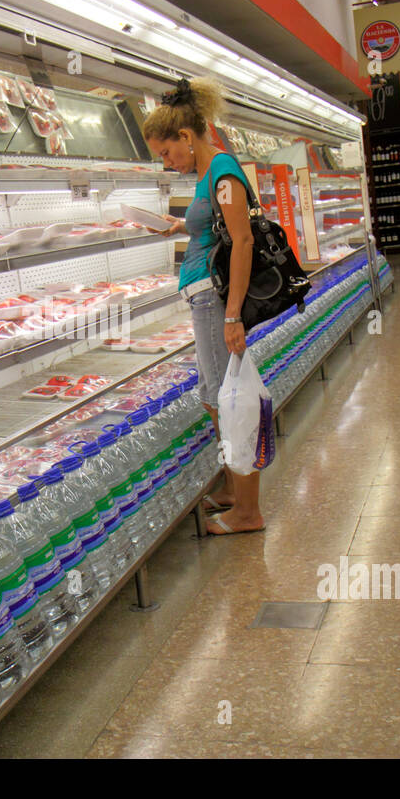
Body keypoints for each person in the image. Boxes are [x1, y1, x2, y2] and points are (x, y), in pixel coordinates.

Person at [143, 77, 264, 536]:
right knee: (216, 396)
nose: (167, 162)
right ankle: (235, 490)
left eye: (167, 152)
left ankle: (249, 512)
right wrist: (178, 225)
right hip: (207, 299)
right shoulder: (206, 174)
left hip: (216, 302)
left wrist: (233, 313)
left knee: (228, 400)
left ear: (187, 137)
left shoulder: (223, 172)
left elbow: (243, 240)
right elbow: (212, 228)